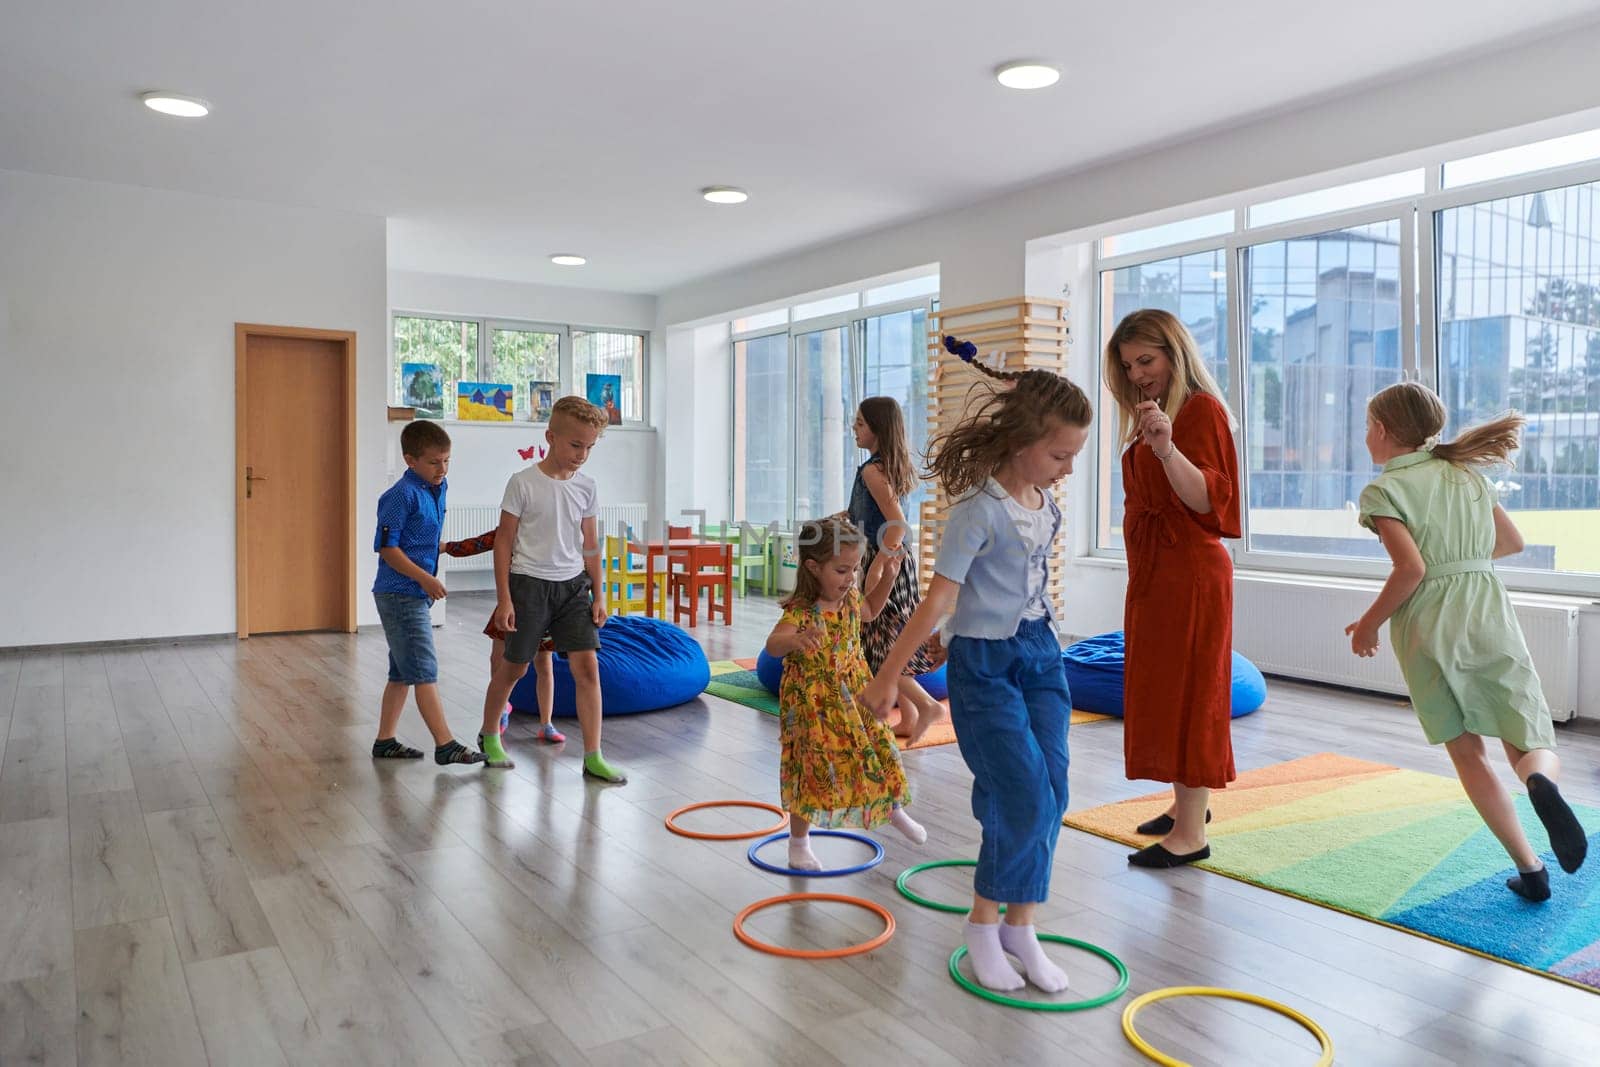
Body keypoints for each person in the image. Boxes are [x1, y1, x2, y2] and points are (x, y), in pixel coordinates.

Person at [862, 337, 1091, 993]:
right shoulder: (977, 512)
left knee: (1052, 789)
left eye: (1073, 456)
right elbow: (939, 597)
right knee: (1021, 793)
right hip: (987, 668)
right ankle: (983, 925)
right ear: (1020, 439)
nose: (1067, 470)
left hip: (1041, 656)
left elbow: (1020, 588)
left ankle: (1022, 925)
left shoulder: (1044, 505)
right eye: (1059, 455)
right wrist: (887, 677)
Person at [1350, 381, 1587, 900]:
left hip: (1426, 625)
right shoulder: (1466, 474)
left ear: (1384, 431)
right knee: (1527, 736)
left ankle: (1531, 869)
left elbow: (1410, 569)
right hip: (1486, 610)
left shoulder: (1383, 491)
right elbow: (1513, 542)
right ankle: (1539, 781)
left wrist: (1367, 624)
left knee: (1466, 749)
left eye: (1368, 425)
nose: (1366, 435)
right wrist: (1466, 565)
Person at [1104, 309, 1241, 868]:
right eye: (1128, 364)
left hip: (1190, 572)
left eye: (1146, 360)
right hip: (1157, 572)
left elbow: (1208, 500)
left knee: (1190, 694)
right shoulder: (1150, 414)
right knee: (1163, 688)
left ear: (1175, 354)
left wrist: (1164, 447)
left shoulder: (1200, 410)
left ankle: (1191, 834)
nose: (1137, 374)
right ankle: (1187, 808)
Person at [765, 516, 924, 872]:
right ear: (813, 567)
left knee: (880, 747)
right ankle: (798, 844)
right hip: (814, 703)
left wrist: (889, 578)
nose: (850, 578)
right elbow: (773, 645)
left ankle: (894, 809)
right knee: (812, 767)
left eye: (853, 569)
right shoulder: (802, 611)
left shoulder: (851, 597)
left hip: (856, 691)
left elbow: (870, 612)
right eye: (841, 570)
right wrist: (795, 640)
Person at [477, 396, 625, 782]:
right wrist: (504, 598)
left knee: (587, 669)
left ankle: (593, 755)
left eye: (590, 447)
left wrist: (600, 595)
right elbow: (503, 543)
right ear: (551, 437)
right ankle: (489, 733)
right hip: (529, 585)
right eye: (576, 445)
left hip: (573, 587)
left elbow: (590, 543)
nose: (583, 454)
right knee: (515, 668)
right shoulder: (523, 483)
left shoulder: (587, 487)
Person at [370, 420, 483, 766]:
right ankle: (445, 745)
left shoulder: (438, 487)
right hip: (400, 594)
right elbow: (388, 549)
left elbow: (420, 539)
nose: (442, 468)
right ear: (410, 460)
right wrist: (426, 579)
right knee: (424, 669)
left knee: (402, 672)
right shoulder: (398, 496)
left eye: (447, 460)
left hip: (413, 592)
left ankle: (385, 741)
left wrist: (451, 547)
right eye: (434, 462)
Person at [848, 397, 943, 744]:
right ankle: (910, 716)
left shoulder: (872, 470)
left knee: (881, 644)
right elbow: (866, 514)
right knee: (892, 636)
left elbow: (897, 524)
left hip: (888, 559)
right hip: (893, 557)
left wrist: (876, 566)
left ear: (878, 428)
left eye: (859, 424)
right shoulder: (883, 467)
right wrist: (839, 520)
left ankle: (926, 704)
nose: (854, 430)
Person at [441, 530, 565, 745]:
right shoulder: (511, 530)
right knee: (498, 659)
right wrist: (447, 547)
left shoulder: (549, 532)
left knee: (545, 665)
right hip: (512, 605)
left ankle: (546, 723)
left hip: (544, 606)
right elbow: (479, 543)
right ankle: (503, 707)